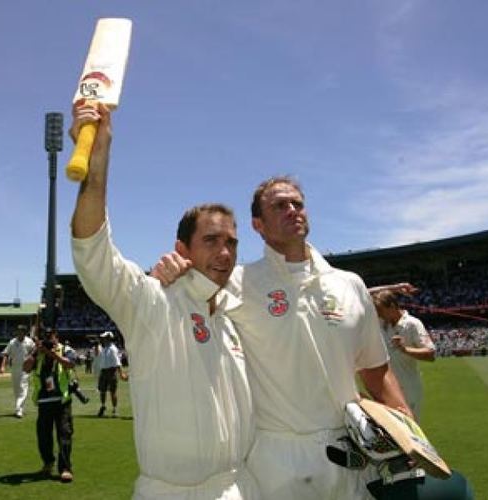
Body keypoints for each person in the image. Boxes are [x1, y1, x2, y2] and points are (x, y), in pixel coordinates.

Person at [154, 176, 411, 499]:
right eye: (279, 206)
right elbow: (186, 295)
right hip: (275, 462)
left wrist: (409, 429)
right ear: (258, 225)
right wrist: (169, 270)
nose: (292, 210)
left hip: (351, 455)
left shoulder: (350, 285)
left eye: (297, 203)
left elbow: (377, 369)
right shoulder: (236, 282)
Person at [70, 103, 257, 499]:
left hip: (237, 487)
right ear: (181, 248)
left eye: (232, 243)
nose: (225, 253)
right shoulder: (151, 302)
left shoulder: (238, 312)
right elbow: (92, 251)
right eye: (211, 241)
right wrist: (96, 162)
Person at [23, 327, 77, 483]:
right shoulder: (38, 352)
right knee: (43, 436)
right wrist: (35, 352)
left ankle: (65, 468)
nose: (48, 339)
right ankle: (48, 462)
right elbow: (25, 368)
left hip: (62, 400)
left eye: (50, 336)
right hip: (44, 401)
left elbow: (70, 364)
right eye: (45, 337)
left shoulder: (66, 349)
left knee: (65, 435)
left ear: (56, 337)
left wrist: (51, 353)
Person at [372, 290, 436, 420]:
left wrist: (405, 349)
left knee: (410, 432)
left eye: (380, 310)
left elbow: (430, 353)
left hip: (408, 390)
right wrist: (396, 287)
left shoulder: (412, 324)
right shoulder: (381, 323)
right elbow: (362, 292)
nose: (378, 314)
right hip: (387, 390)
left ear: (392, 306)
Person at [0, 324, 36, 418]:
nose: (19, 333)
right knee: (16, 390)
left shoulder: (29, 341)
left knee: (23, 388)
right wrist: (2, 366)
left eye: (21, 331)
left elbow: (35, 351)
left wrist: (31, 361)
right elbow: (6, 354)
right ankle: (19, 408)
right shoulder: (12, 342)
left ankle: (18, 409)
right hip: (15, 368)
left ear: (24, 332)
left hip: (25, 368)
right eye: (18, 331)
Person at [93, 330, 126, 418]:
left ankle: (115, 410)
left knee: (113, 391)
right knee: (102, 391)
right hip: (103, 371)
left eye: (104, 338)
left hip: (111, 371)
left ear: (109, 338)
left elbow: (117, 362)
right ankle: (103, 406)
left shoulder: (112, 349)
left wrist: (121, 373)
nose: (102, 339)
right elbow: (97, 355)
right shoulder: (105, 348)